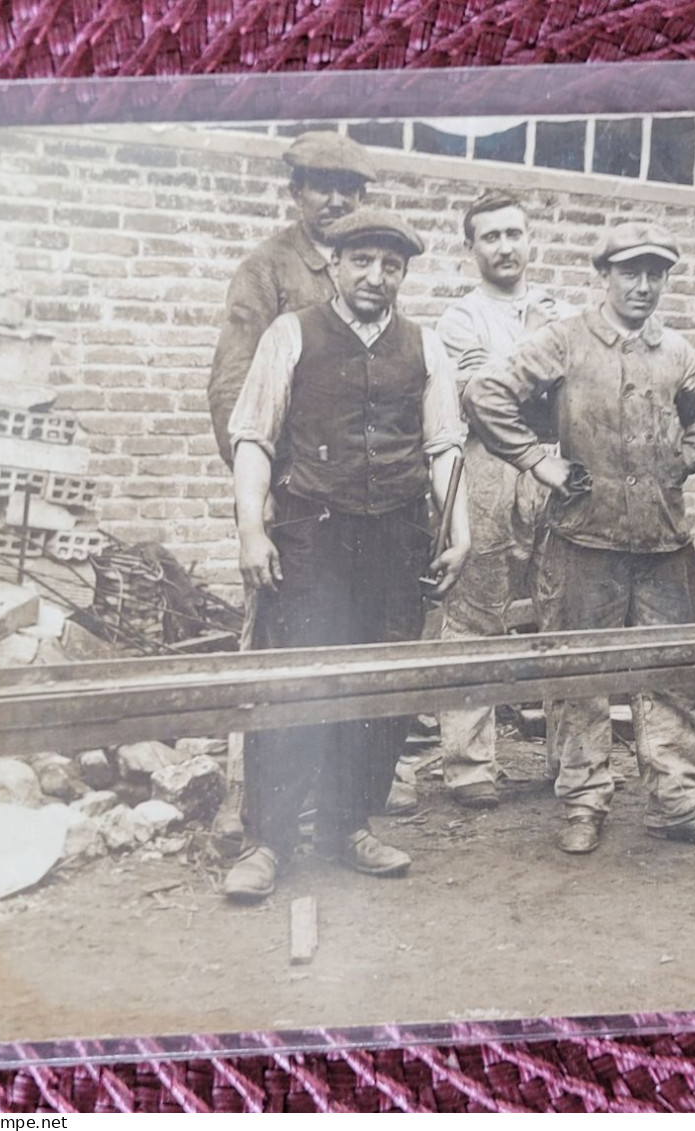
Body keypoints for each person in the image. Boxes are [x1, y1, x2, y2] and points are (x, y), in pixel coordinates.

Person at [465, 220, 695, 856]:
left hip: (664, 544)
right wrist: (539, 462)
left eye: (656, 273)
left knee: (673, 675)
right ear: (605, 275)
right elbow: (486, 395)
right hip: (582, 541)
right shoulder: (564, 340)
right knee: (578, 678)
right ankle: (584, 802)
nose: (644, 285)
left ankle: (677, 806)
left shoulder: (675, 350)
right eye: (631, 271)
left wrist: (691, 456)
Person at [221, 207, 471, 901]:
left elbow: (445, 444)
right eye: (362, 260)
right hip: (312, 537)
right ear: (335, 265)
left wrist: (460, 530)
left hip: (395, 541)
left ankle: (348, 824)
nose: (376, 276)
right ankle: (267, 839)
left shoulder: (425, 347)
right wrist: (251, 528)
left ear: (403, 274)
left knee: (381, 688)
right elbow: (253, 437)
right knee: (294, 682)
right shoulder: (290, 334)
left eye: (391, 265)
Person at [435, 191, 572, 809]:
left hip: (556, 460)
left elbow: (575, 386)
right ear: (472, 248)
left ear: (530, 239)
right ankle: (468, 766)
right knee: (475, 609)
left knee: (564, 607)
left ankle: (573, 762)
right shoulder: (460, 318)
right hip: (488, 462)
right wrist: (541, 351)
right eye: (490, 237)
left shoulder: (561, 312)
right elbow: (481, 393)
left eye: (514, 233)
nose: (505, 247)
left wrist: (533, 360)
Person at [209, 131, 375, 466]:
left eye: (346, 189)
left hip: (360, 472)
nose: (336, 201)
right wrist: (255, 482)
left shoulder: (373, 268)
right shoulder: (265, 267)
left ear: (361, 196)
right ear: (297, 192)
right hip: (293, 470)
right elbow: (232, 382)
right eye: (322, 187)